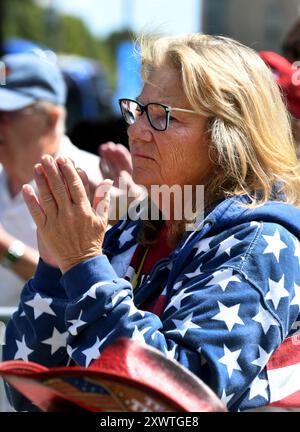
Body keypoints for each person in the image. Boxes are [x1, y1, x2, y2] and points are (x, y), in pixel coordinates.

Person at [3, 34, 300, 412]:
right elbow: (28, 390)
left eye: (161, 116)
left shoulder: (259, 244)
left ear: (227, 135)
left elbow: (174, 401)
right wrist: (53, 264)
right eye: (137, 111)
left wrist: (81, 262)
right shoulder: (141, 225)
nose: (135, 131)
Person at [0, 52, 103, 306]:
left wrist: (8, 252)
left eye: (7, 114)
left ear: (52, 119)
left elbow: (93, 287)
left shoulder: (91, 181)